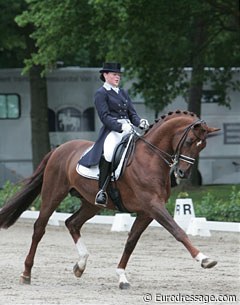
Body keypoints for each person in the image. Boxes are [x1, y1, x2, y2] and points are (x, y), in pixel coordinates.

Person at [79, 62, 149, 207]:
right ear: (105, 75)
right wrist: (120, 126)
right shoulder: (101, 93)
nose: (117, 77)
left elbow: (132, 114)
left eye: (118, 75)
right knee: (110, 153)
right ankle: (102, 191)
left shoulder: (123, 92)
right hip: (113, 130)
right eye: (114, 74)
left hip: (129, 128)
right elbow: (104, 117)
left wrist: (140, 122)